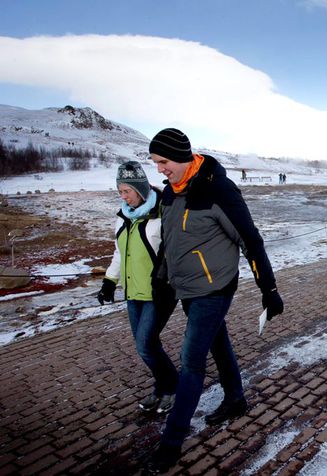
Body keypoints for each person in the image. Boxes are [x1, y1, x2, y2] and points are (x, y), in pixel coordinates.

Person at [146, 128, 284, 473]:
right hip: (184, 287)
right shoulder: (170, 193)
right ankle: (236, 399)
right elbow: (169, 243)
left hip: (214, 288)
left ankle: (171, 442)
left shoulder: (217, 189)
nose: (160, 169)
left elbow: (251, 240)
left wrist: (268, 289)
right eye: (155, 163)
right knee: (217, 342)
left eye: (163, 162)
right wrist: (160, 278)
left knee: (191, 360)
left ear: (182, 157)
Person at [97, 161, 178, 415]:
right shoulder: (122, 217)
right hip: (133, 293)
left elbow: (173, 253)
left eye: (127, 191)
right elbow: (119, 253)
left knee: (145, 344)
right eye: (120, 191)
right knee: (148, 345)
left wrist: (168, 281)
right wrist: (109, 281)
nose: (123, 196)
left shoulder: (162, 213)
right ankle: (162, 388)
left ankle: (172, 387)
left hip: (158, 293)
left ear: (140, 190)